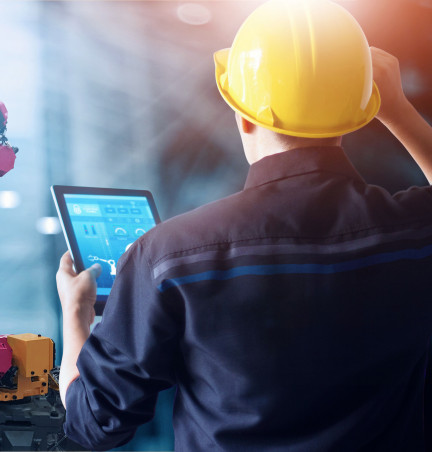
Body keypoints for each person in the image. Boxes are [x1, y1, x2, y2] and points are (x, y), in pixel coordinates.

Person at [56, 0, 432, 450]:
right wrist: (397, 110)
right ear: (359, 111)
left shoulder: (168, 255)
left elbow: (92, 423)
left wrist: (75, 316)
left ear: (243, 113)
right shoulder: (412, 230)